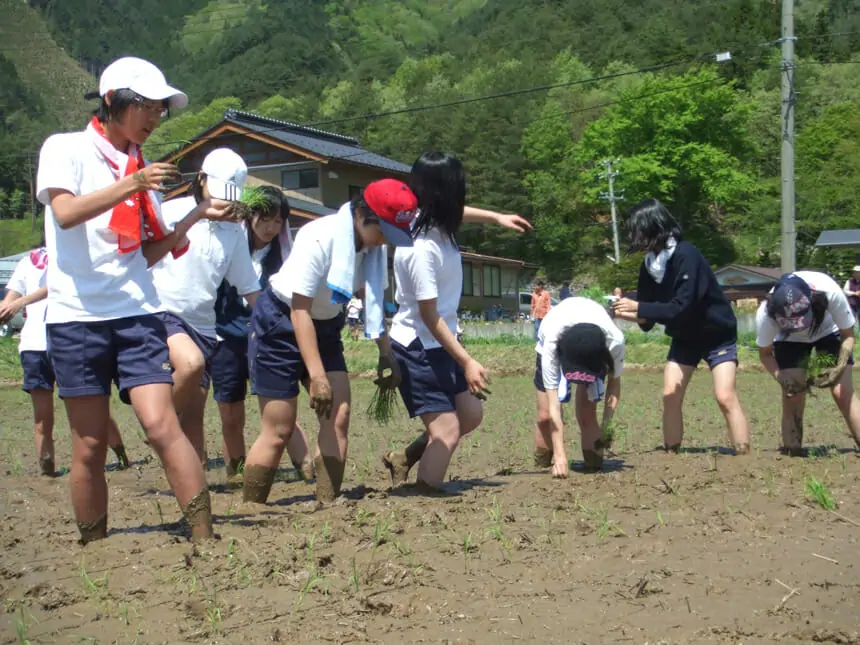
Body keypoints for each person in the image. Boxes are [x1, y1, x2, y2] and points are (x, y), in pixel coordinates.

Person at [36, 56, 226, 542]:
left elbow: (148, 254)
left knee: (163, 425)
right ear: (111, 102)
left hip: (138, 314)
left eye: (160, 109)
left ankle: (206, 537)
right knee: (90, 443)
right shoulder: (67, 149)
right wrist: (132, 182)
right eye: (145, 105)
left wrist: (194, 217)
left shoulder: (143, 173)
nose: (155, 117)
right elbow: (65, 213)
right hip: (76, 318)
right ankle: (94, 546)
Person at [242, 178, 417, 504]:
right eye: (383, 233)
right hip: (280, 323)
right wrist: (317, 375)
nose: (383, 243)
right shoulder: (319, 237)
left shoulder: (369, 250)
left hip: (324, 327)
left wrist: (385, 352)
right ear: (365, 216)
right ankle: (252, 506)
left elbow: (370, 297)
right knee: (279, 428)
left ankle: (327, 500)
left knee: (338, 414)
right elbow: (299, 311)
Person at [381, 152, 533, 489]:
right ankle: (423, 495)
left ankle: (404, 458)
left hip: (442, 340)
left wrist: (496, 217)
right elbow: (428, 315)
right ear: (445, 194)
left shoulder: (436, 223)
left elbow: (457, 213)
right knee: (447, 430)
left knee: (469, 415)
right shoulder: (421, 248)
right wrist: (466, 360)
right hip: (419, 346)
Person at [612, 198, 750, 455]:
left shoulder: (687, 255)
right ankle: (671, 454)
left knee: (725, 396)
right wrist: (621, 310)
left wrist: (638, 307)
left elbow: (681, 306)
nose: (635, 236)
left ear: (653, 227)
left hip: (716, 334)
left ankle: (744, 456)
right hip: (685, 336)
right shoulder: (650, 265)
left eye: (637, 230)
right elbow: (647, 320)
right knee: (670, 395)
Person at [151, 148, 262, 467]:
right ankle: (156, 422)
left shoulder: (235, 230)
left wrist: (275, 321)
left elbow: (249, 286)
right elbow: (145, 258)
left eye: (232, 197)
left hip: (202, 325)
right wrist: (195, 216)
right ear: (200, 180)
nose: (226, 203)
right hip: (162, 311)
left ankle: (193, 489)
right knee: (191, 364)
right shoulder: (172, 211)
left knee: (194, 421)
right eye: (220, 194)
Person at [211, 184, 313, 482]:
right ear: (249, 216)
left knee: (279, 407)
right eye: (264, 219)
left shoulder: (284, 256)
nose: (271, 227)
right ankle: (237, 473)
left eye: (278, 221)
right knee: (230, 412)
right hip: (226, 337)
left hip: (268, 338)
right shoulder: (227, 246)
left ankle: (307, 469)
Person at [0, 245, 130, 475]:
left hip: (69, 341)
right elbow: (12, 296)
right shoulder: (28, 261)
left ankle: (122, 457)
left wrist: (21, 303)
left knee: (93, 409)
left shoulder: (74, 254)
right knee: (42, 418)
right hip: (34, 345)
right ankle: (47, 472)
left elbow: (57, 287)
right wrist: (6, 308)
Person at [756, 272, 860, 454]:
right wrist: (781, 378)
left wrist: (840, 365)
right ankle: (792, 451)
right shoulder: (766, 313)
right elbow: (765, 354)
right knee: (793, 391)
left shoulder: (829, 292)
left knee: (841, 392)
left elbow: (848, 336)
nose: (800, 327)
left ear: (813, 302)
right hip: (789, 341)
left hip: (829, 331)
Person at [533, 297, 625, 478]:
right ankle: (542, 464)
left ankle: (594, 465)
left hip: (593, 346)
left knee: (586, 414)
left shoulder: (614, 341)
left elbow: (614, 384)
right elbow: (554, 406)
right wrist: (560, 456)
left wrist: (607, 423)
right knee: (544, 416)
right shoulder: (552, 339)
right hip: (558, 337)